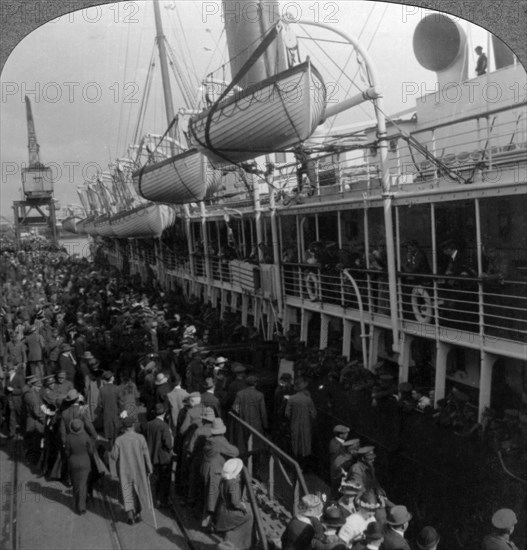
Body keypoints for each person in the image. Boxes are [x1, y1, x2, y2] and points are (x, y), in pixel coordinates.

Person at [111, 416, 153, 525]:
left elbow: (113, 456)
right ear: (133, 426)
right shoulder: (140, 438)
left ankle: (130, 515)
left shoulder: (119, 440)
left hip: (125, 469)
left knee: (127, 490)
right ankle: (138, 513)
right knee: (138, 490)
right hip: (138, 468)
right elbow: (146, 455)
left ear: (124, 427)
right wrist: (149, 468)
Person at [201, 418, 239, 530]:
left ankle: (208, 522)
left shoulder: (210, 439)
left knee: (208, 496)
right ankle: (207, 524)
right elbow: (235, 452)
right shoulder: (220, 441)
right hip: (215, 472)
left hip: (206, 468)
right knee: (213, 498)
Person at [215, 458, 253, 550]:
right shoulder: (234, 484)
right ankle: (243, 544)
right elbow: (235, 503)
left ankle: (232, 539)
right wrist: (243, 506)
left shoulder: (223, 480)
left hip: (222, 511)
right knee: (250, 515)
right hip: (230, 513)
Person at [141, 403, 173, 509]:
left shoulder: (148, 424)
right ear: (164, 413)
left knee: (155, 478)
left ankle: (154, 499)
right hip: (163, 457)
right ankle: (162, 500)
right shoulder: (164, 426)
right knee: (164, 480)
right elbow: (168, 443)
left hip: (151, 456)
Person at [284, 376, 317, 469]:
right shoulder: (308, 399)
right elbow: (314, 414)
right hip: (306, 425)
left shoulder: (291, 399)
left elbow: (287, 414)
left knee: (295, 443)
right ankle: (304, 466)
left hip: (294, 424)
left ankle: (295, 464)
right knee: (305, 444)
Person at [231, 375, 268, 455]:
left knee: (244, 445)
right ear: (255, 383)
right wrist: (265, 425)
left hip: (243, 423)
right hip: (256, 425)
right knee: (256, 446)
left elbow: (235, 408)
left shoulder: (240, 394)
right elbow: (263, 412)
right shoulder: (260, 395)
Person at [65, 418, 94, 515]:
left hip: (73, 462)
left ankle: (78, 501)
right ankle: (81, 506)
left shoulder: (69, 437)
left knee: (76, 484)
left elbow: (67, 452)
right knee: (83, 484)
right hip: (85, 462)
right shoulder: (85, 436)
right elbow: (90, 451)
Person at [96, 370, 121, 443]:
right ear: (112, 378)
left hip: (106, 414)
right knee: (116, 431)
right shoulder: (117, 388)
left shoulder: (101, 390)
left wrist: (101, 411)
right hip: (116, 413)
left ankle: (110, 447)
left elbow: (100, 404)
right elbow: (121, 402)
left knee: (108, 432)